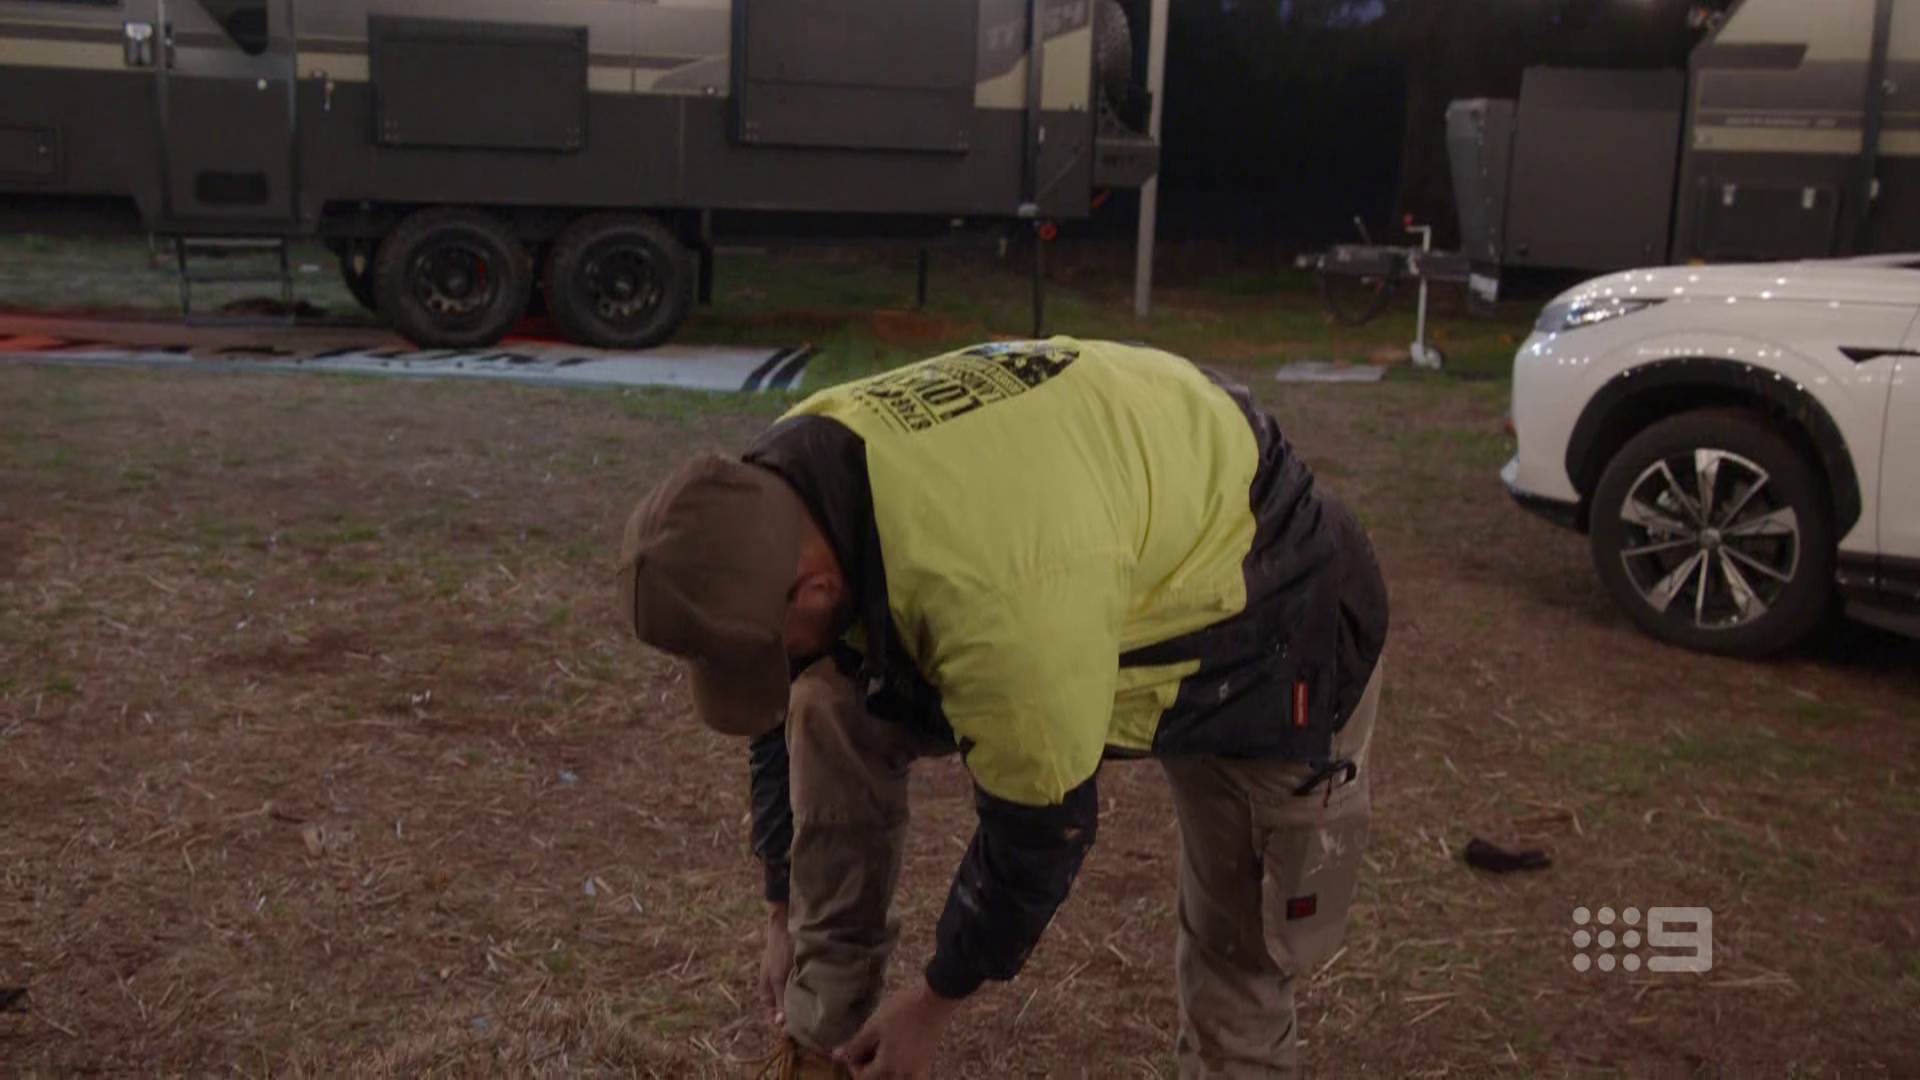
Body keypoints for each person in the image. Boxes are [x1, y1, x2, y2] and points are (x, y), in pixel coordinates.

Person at [616, 337, 1389, 1079]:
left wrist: (934, 1004)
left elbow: (1040, 830)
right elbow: (782, 701)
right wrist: (781, 908)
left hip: (1271, 615)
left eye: (764, 649)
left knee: (1237, 978)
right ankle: (826, 1032)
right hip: (1113, 518)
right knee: (825, 699)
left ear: (816, 586)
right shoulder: (785, 486)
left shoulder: (999, 602)